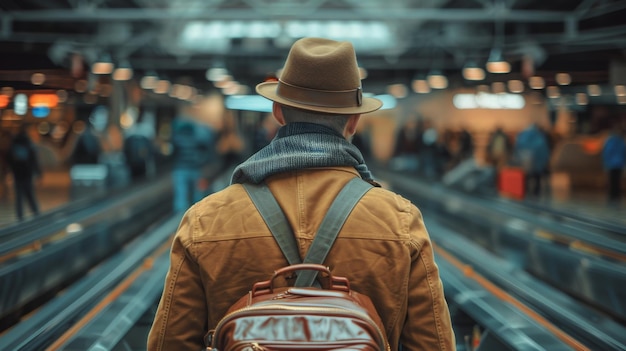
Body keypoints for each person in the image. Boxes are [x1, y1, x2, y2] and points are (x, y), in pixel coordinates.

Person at [148, 37, 456, 351]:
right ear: (354, 119)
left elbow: (168, 344)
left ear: (278, 111)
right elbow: (434, 345)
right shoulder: (400, 221)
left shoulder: (205, 220)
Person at [170, 115, 218, 213]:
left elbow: (172, 154)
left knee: (181, 194)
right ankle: (197, 213)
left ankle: (180, 215)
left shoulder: (177, 138)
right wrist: (201, 162)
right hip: (195, 170)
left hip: (180, 170)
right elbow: (205, 151)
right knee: (197, 194)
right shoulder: (197, 137)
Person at [6, 125, 42, 221]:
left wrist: (10, 170)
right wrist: (38, 173)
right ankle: (36, 214)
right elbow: (34, 159)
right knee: (30, 194)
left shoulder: (14, 143)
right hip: (27, 173)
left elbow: (9, 158)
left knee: (19, 196)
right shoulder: (28, 143)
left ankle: (20, 217)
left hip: (17, 173)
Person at [514, 122, 550, 197]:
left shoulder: (523, 136)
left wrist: (518, 159)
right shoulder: (540, 137)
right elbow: (544, 151)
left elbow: (518, 148)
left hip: (525, 162)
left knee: (526, 177)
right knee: (537, 178)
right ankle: (536, 192)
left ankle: (526, 191)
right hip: (537, 164)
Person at [602, 125, 625, 204]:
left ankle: (613, 197)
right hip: (618, 165)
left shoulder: (611, 141)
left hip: (613, 165)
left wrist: (606, 164)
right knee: (616, 181)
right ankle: (615, 197)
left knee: (613, 181)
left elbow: (607, 153)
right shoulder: (620, 141)